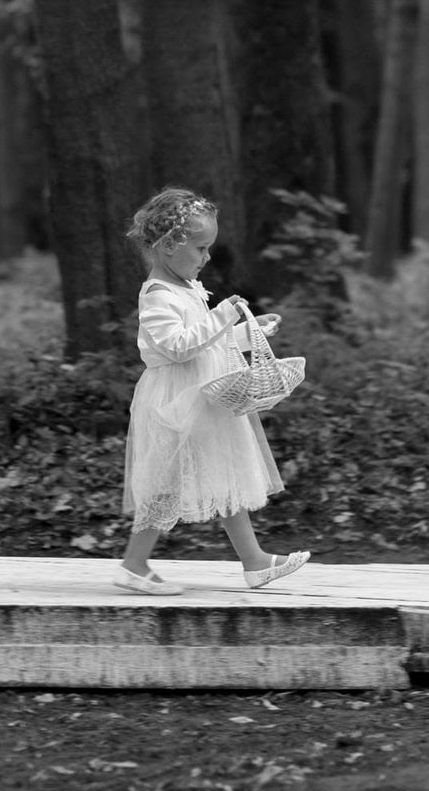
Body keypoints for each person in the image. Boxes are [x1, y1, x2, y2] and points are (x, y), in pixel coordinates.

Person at [113, 187, 311, 596]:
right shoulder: (157, 295)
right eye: (201, 248)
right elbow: (177, 346)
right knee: (165, 482)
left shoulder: (186, 286)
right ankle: (134, 564)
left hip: (203, 397)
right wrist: (223, 315)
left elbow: (208, 345)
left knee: (225, 472)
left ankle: (254, 562)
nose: (206, 257)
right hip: (175, 402)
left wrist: (243, 333)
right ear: (169, 246)